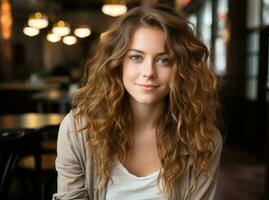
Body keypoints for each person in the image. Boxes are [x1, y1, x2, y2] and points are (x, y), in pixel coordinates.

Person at [53, 5, 222, 200]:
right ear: (117, 63)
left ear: (181, 69)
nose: (149, 72)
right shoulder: (77, 130)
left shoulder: (203, 141)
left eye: (164, 60)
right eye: (136, 57)